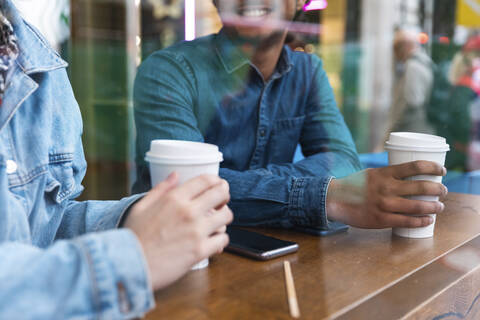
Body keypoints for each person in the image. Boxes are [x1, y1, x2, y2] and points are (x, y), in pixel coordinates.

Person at [0, 1, 233, 318]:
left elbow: (44, 228)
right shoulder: (170, 70)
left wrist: (133, 219)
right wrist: (131, 257)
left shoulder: (31, 56)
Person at [134, 0, 447, 233]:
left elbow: (344, 160)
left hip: (277, 252)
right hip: (178, 256)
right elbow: (183, 193)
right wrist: (326, 195)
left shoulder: (308, 73)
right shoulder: (170, 71)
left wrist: (247, 189)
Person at [386, 29, 435, 136]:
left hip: (412, 132)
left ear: (405, 46)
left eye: (396, 48)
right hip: (422, 128)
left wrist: (394, 126)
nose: (396, 54)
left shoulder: (412, 66)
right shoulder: (425, 62)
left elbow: (413, 101)